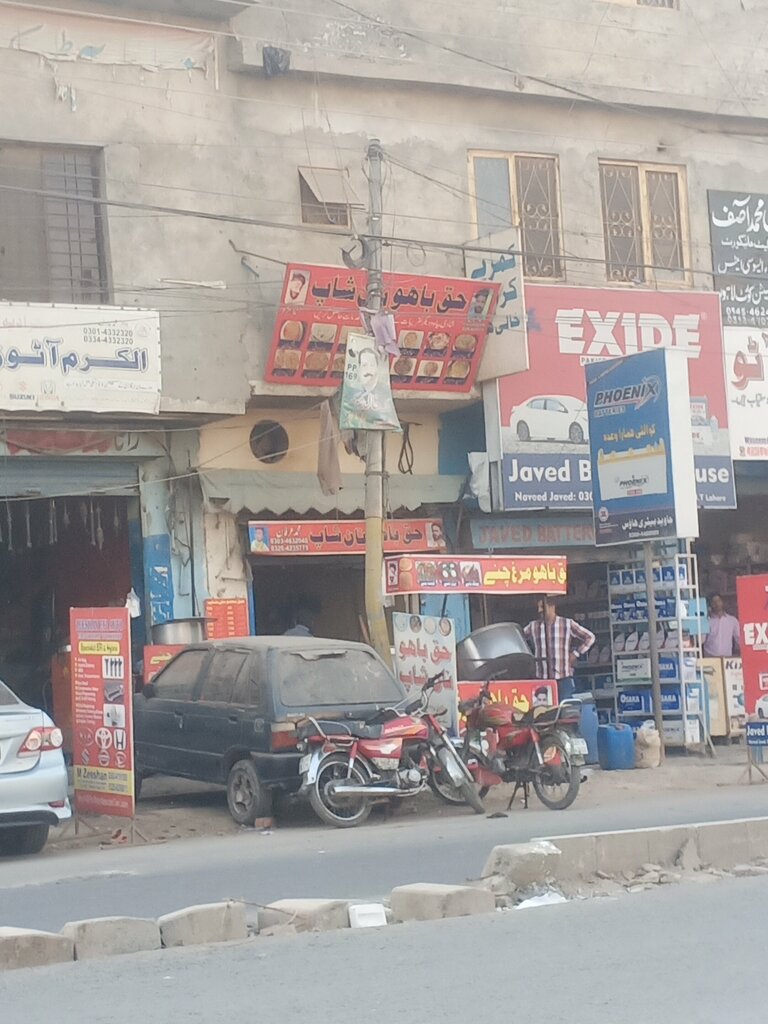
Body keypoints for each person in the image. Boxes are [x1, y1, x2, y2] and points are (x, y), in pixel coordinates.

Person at [524, 596, 595, 702]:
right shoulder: (533, 626)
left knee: (565, 711)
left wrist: (576, 653)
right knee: (545, 712)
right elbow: (519, 638)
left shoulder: (567, 624)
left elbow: (590, 637)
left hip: (563, 677)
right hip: (542, 679)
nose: (540, 611)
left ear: (552, 606)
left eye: (542, 607)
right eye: (538, 607)